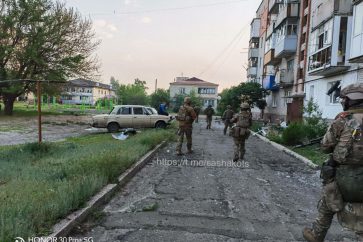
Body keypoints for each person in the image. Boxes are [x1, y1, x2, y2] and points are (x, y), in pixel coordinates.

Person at [303, 83, 363, 242]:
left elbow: (325, 147)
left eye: (344, 99)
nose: (342, 102)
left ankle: (316, 235)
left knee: (327, 204)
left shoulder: (342, 121)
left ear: (351, 101)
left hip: (344, 178)